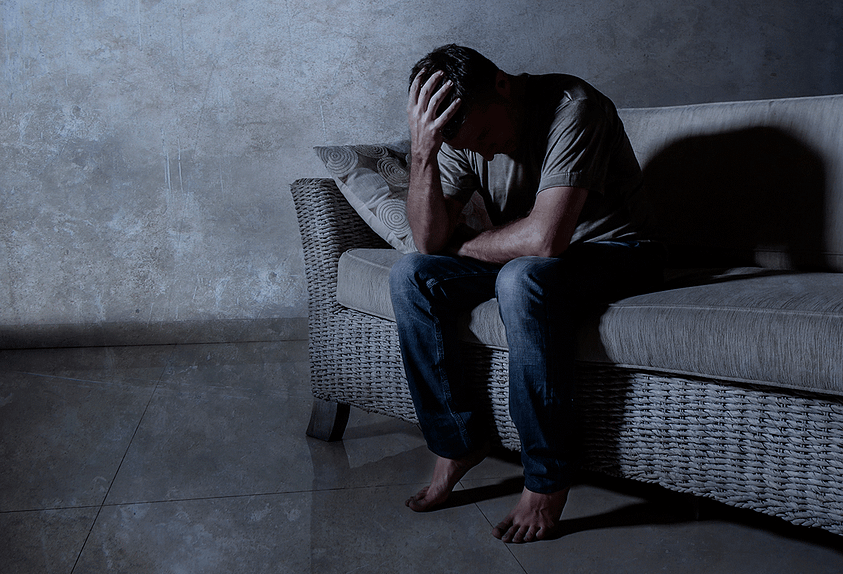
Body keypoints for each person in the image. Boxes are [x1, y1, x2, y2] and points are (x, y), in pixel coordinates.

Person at [389, 44, 664, 543]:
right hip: (537, 260)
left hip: (618, 250)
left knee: (522, 277)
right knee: (412, 275)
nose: (486, 153)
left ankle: (547, 478)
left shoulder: (574, 107)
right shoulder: (463, 135)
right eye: (473, 146)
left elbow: (544, 240)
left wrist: (466, 243)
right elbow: (428, 241)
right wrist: (423, 152)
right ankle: (456, 442)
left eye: (487, 136)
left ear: (501, 84)